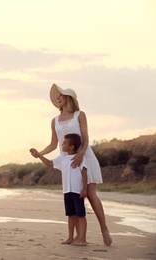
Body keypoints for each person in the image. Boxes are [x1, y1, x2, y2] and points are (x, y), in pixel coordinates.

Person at [30, 83, 112, 246]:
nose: (58, 99)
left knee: (90, 193)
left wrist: (81, 154)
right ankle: (75, 236)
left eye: (60, 95)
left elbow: (86, 138)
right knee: (72, 195)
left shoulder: (80, 115)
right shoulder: (54, 120)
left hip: (84, 156)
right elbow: (54, 144)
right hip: (68, 162)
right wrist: (39, 153)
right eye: (57, 96)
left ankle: (104, 229)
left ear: (68, 98)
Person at [30, 133, 88, 246]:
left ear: (72, 146)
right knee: (70, 215)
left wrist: (84, 189)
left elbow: (84, 173)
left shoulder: (80, 158)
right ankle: (70, 238)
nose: (62, 144)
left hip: (77, 191)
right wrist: (39, 155)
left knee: (80, 215)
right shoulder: (62, 158)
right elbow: (49, 163)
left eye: (65, 143)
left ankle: (82, 239)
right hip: (67, 191)